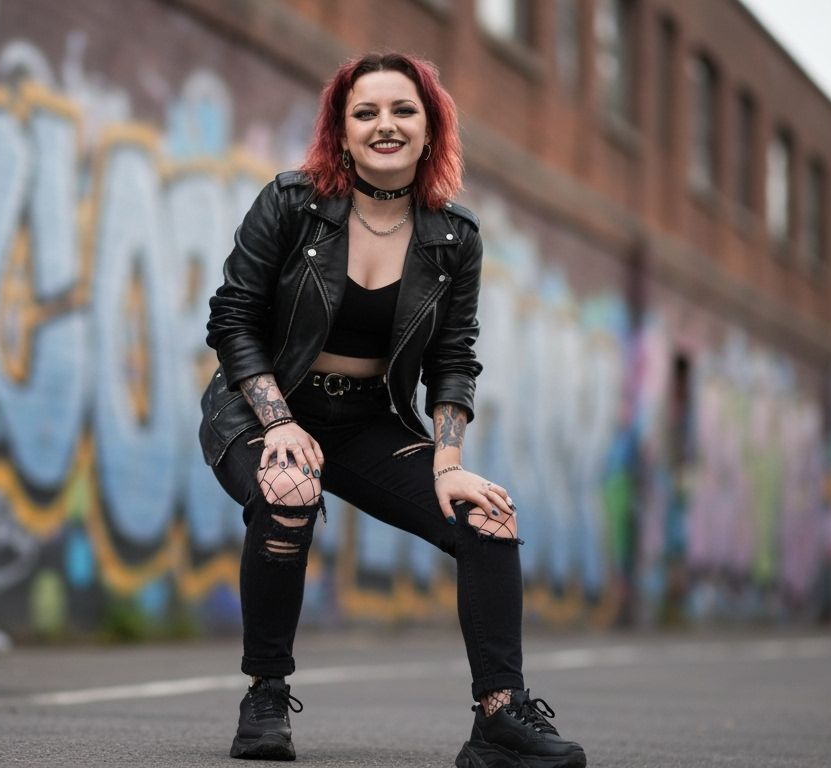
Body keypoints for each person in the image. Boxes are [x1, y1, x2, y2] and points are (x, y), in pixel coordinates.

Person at [198, 52, 587, 767]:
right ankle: (266, 693)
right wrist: (279, 422)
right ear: (340, 133)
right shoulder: (290, 204)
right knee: (289, 491)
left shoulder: (454, 239)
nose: (385, 125)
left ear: (431, 127)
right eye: (366, 112)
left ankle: (500, 718)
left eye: (403, 110)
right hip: (263, 410)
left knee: (489, 515)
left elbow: (453, 358)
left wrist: (448, 465)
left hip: (368, 421)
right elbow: (232, 320)